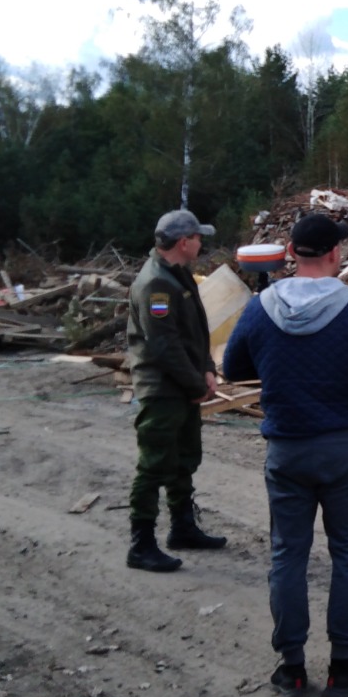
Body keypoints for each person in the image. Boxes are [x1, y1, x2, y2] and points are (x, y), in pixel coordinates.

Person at [222, 213, 348, 697]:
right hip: (343, 448)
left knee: (288, 554)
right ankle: (343, 666)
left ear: (289, 249)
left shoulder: (261, 307)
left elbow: (232, 367)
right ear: (335, 253)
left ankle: (293, 669)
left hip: (287, 447)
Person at [125, 208, 228, 572]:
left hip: (183, 385)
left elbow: (197, 332)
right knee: (154, 465)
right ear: (184, 242)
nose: (202, 243)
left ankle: (183, 527)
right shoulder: (156, 283)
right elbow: (162, 345)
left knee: (184, 458)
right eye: (199, 237)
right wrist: (195, 383)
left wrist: (207, 369)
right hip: (162, 389)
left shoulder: (178, 275)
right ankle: (141, 544)